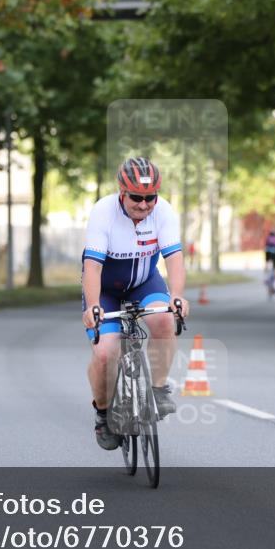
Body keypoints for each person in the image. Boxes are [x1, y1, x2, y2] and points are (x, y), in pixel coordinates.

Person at [81, 157, 190, 450]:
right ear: (122, 192)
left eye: (150, 198)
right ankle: (103, 414)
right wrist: (93, 305)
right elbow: (92, 266)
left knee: (165, 319)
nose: (144, 205)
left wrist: (177, 294)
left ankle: (159, 388)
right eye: (137, 198)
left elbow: (174, 258)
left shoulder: (163, 211)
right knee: (105, 353)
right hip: (105, 290)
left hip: (144, 282)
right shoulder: (103, 211)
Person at [264, 229, 275, 295]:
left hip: (268, 253)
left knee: (267, 265)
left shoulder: (268, 238)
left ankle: (266, 276)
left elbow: (265, 246)